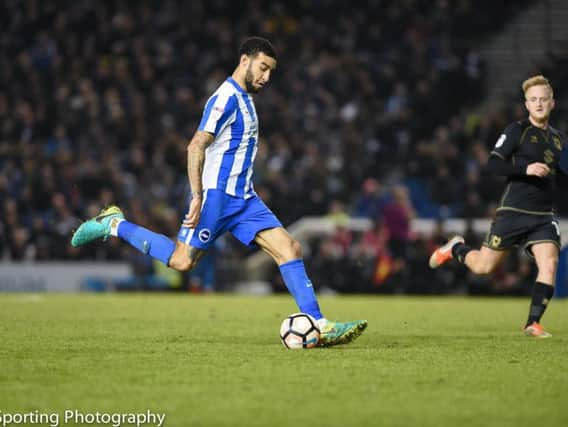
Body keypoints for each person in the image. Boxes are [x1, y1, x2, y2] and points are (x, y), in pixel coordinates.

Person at [71, 37, 367, 346]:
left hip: (246, 199)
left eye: (271, 72)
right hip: (217, 200)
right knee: (182, 261)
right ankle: (114, 224)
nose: (266, 77)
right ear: (244, 61)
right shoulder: (225, 98)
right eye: (263, 68)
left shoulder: (247, 99)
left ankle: (319, 324)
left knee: (290, 249)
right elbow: (196, 145)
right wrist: (197, 196)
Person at [429, 75, 566, 338]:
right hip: (513, 212)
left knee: (549, 263)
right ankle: (456, 247)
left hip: (543, 216)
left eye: (543, 99)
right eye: (533, 100)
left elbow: (556, 176)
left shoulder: (558, 139)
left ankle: (532, 323)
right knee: (483, 267)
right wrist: (525, 169)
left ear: (552, 103)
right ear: (526, 104)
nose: (538, 104)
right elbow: (493, 164)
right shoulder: (516, 130)